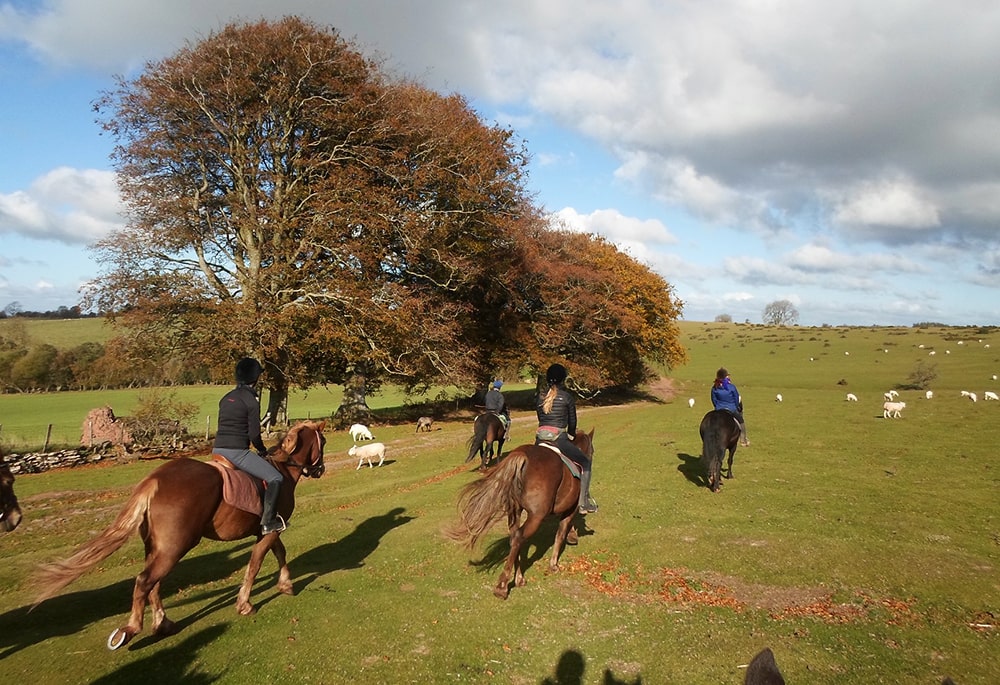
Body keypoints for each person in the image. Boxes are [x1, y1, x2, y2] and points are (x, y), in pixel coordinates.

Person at [213, 357, 287, 534]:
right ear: (256, 378)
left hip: (217, 449)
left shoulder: (226, 398)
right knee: (276, 478)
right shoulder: (251, 401)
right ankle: (268, 522)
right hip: (237, 452)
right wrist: (261, 450)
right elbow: (254, 434)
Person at [535, 363, 597, 514]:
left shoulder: (539, 397)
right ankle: (583, 503)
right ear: (563, 379)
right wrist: (572, 434)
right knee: (585, 463)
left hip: (540, 439)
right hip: (558, 440)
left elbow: (541, 418)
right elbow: (572, 423)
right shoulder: (567, 397)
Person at [711, 367, 749, 446]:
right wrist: (735, 407)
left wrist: (718, 407)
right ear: (725, 377)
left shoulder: (714, 388)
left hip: (719, 409)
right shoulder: (731, 387)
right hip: (731, 409)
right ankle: (743, 439)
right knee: (741, 421)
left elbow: (714, 400)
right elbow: (736, 398)